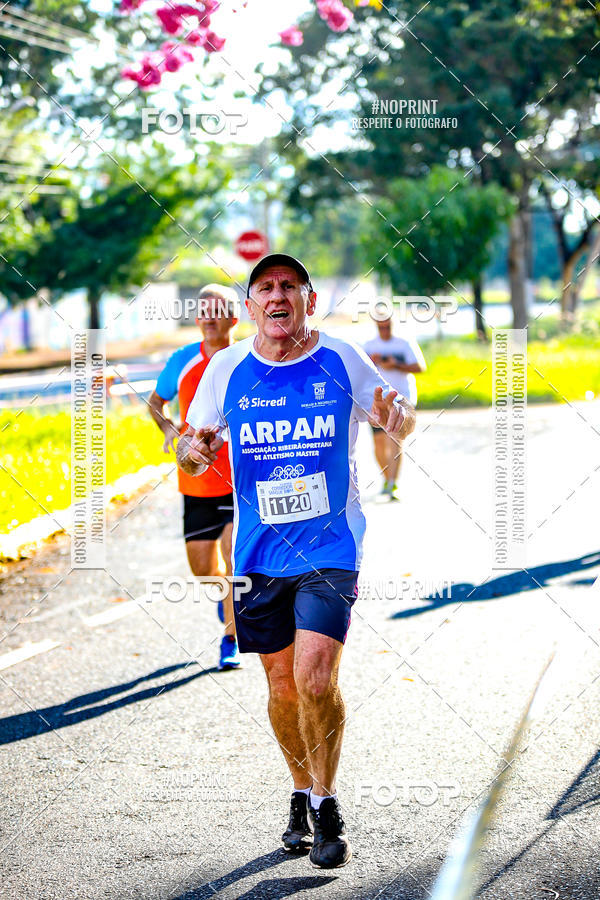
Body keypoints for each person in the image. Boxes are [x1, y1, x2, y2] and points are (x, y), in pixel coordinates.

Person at [176, 254, 416, 869]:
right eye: (266, 287)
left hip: (331, 545)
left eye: (290, 286)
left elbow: (397, 415)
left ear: (308, 299)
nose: (277, 295)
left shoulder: (341, 359)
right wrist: (193, 452)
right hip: (258, 554)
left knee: (314, 679)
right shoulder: (226, 369)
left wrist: (400, 419)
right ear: (251, 306)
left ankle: (328, 803)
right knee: (282, 688)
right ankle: (300, 790)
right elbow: (193, 450)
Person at [149, 284, 241, 671]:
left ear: (234, 318)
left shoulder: (247, 358)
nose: (207, 318)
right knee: (203, 570)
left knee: (235, 559)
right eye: (202, 311)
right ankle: (227, 602)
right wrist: (170, 430)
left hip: (241, 482)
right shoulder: (183, 360)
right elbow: (156, 403)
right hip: (197, 482)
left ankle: (231, 638)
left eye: (216, 311)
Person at [363, 315, 425, 500]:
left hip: (400, 399)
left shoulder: (404, 343)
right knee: (379, 443)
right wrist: (372, 362)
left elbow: (420, 367)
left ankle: (393, 483)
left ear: (393, 324)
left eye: (387, 326)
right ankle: (387, 479)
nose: (384, 330)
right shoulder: (369, 345)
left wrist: (396, 364)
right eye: (381, 327)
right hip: (377, 400)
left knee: (395, 441)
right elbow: (361, 372)